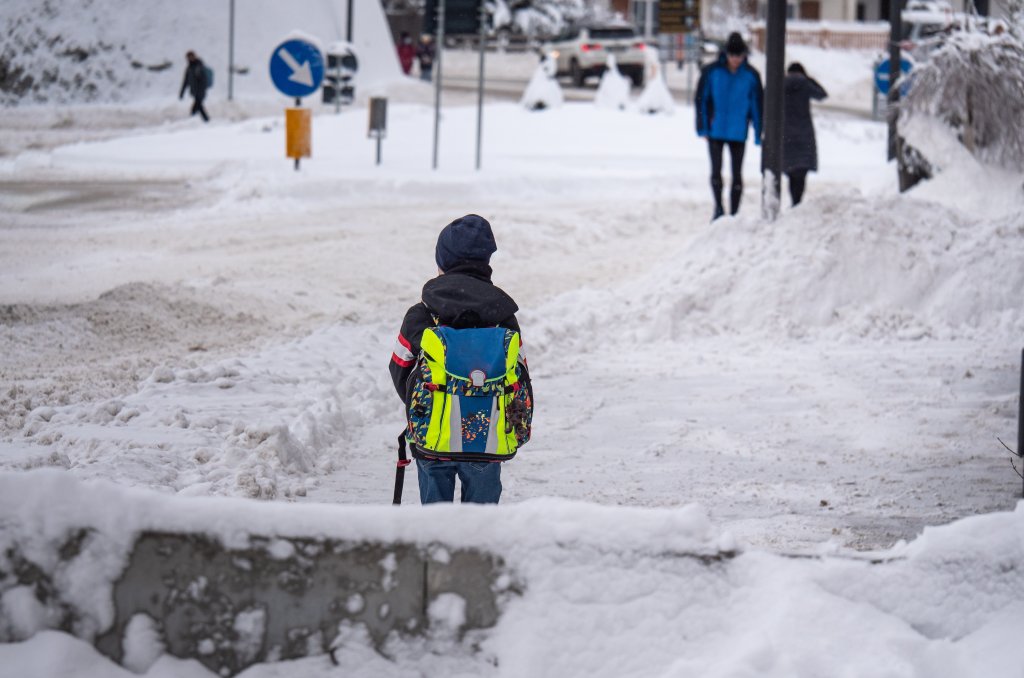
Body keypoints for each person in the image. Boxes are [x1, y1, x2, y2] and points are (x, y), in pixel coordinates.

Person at [389, 215, 532, 504]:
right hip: (486, 439)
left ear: (441, 263)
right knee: (481, 521)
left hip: (432, 436)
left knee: (435, 520)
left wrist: (429, 404)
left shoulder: (422, 314)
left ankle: (438, 547)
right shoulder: (502, 317)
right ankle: (477, 547)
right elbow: (520, 376)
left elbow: (399, 369)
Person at [694, 32, 763, 220]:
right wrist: (702, 127)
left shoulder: (751, 75)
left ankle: (734, 212)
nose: (736, 60)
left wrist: (758, 132)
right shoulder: (712, 72)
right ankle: (718, 207)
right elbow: (701, 100)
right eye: (733, 56)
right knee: (716, 171)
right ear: (726, 54)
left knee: (737, 173)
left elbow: (757, 105)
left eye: (739, 56)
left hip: (738, 131)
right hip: (716, 130)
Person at [783, 62, 827, 206]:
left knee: (791, 171)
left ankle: (793, 201)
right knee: (801, 173)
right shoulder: (806, 85)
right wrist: (808, 79)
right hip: (804, 134)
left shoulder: (781, 84)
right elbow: (822, 94)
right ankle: (797, 202)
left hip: (786, 134)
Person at [179, 51, 209, 122]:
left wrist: (202, 89)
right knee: (199, 106)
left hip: (200, 91)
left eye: (191, 57)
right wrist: (182, 92)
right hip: (194, 91)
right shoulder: (189, 68)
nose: (190, 59)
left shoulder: (199, 66)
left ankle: (201, 120)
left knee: (197, 106)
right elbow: (185, 81)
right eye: (188, 57)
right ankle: (205, 120)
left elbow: (204, 80)